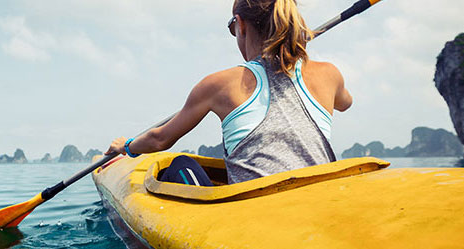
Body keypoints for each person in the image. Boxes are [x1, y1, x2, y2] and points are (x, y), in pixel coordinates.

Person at [105, 0, 352, 185]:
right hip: (320, 199)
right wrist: (296, 52)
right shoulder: (329, 74)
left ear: (240, 24)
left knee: (180, 165)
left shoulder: (219, 84)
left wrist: (126, 146)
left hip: (253, 213)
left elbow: (160, 139)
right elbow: (345, 103)